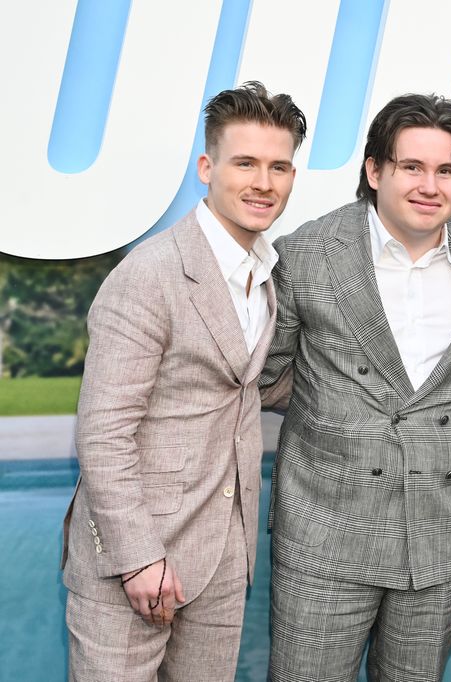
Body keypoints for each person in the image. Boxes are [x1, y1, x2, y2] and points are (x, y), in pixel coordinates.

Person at [259, 93, 451, 682]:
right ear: (375, 170)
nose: (430, 186)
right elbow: (263, 374)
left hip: (441, 539)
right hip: (325, 538)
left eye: (446, 170)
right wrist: (338, 411)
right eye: (412, 167)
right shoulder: (305, 256)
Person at [61, 81, 306, 681]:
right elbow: (103, 433)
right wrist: (138, 557)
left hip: (223, 551)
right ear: (207, 168)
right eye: (244, 163)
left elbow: (243, 385)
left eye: (278, 167)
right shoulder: (149, 274)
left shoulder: (264, 273)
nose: (263, 182)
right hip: (135, 558)